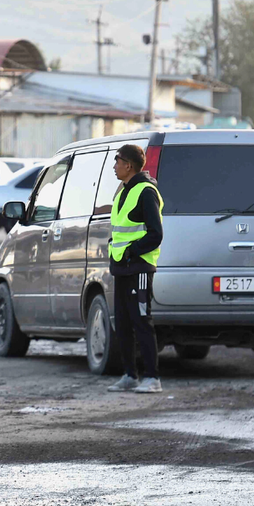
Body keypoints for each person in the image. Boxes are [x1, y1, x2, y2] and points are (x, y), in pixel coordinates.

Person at [105, 144, 165, 394]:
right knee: (123, 322)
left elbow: (156, 234)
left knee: (142, 321)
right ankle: (130, 374)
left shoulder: (145, 191)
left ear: (128, 165)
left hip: (139, 268)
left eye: (117, 161)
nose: (114, 166)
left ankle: (152, 378)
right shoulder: (123, 192)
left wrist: (131, 251)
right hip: (122, 268)